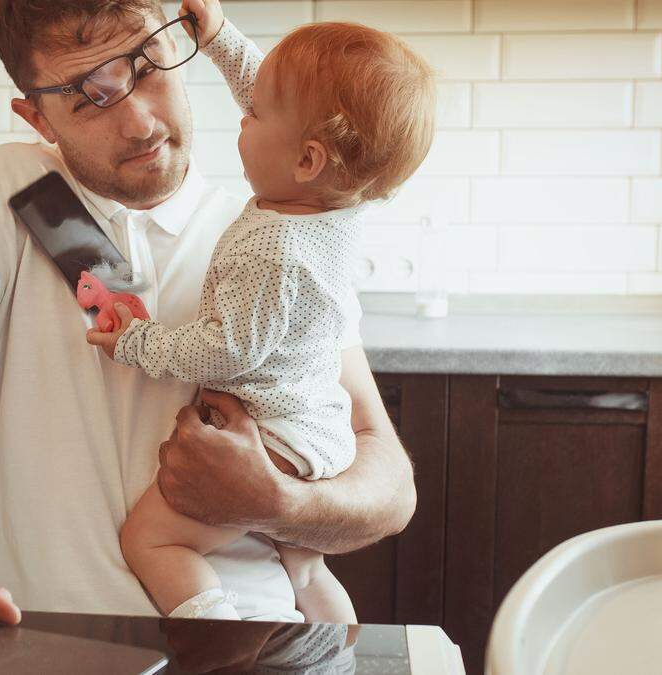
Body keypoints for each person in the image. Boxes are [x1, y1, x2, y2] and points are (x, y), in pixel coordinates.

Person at [0, 0, 417, 657]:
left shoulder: (279, 234)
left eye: (147, 68)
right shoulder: (1, 189)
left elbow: (388, 483)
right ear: (37, 117)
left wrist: (276, 501)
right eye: (88, 99)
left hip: (256, 644)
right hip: (42, 645)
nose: (140, 121)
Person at [86, 0, 435, 624]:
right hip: (319, 428)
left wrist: (139, 341)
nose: (241, 119)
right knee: (303, 564)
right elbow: (275, 92)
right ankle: (337, 650)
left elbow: (229, 348)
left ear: (306, 159)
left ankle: (218, 642)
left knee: (152, 541)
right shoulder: (336, 203)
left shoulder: (267, 246)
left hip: (273, 436)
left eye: (252, 115)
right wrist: (219, 38)